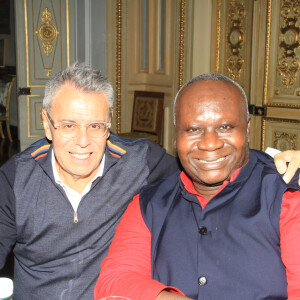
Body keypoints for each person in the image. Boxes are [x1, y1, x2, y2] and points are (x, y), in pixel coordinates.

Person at [95, 73, 300, 300]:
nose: (209, 144)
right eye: (193, 130)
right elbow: (115, 282)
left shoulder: (286, 195)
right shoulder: (148, 205)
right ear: (176, 137)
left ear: (247, 130)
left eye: (225, 127)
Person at [0, 63, 181, 300]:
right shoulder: (16, 179)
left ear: (109, 124)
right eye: (68, 126)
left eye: (95, 126)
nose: (83, 141)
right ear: (46, 123)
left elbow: (201, 180)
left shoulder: (140, 163)